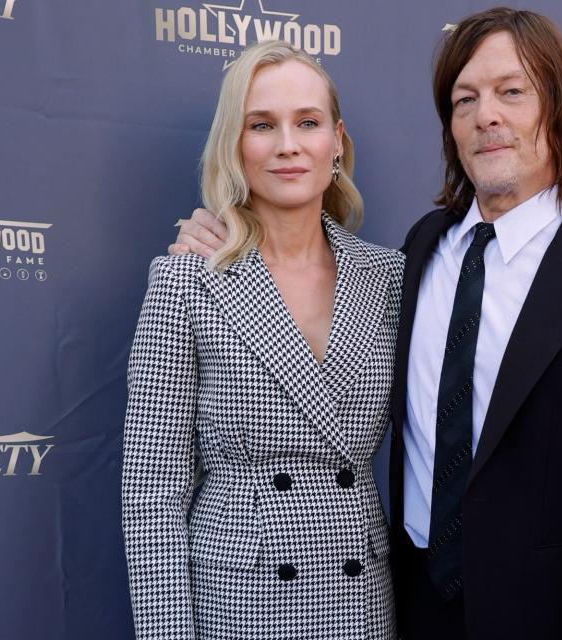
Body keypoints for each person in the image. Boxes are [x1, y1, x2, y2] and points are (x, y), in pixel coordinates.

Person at [172, 8, 562, 640]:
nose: (486, 115)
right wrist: (225, 240)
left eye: (512, 91)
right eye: (464, 98)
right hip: (403, 610)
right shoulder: (417, 254)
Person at [123, 41, 402, 640]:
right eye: (261, 125)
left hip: (362, 598)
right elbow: (153, 490)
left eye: (307, 122)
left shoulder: (391, 278)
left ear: (337, 141)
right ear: (235, 144)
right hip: (242, 601)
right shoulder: (187, 281)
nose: (287, 145)